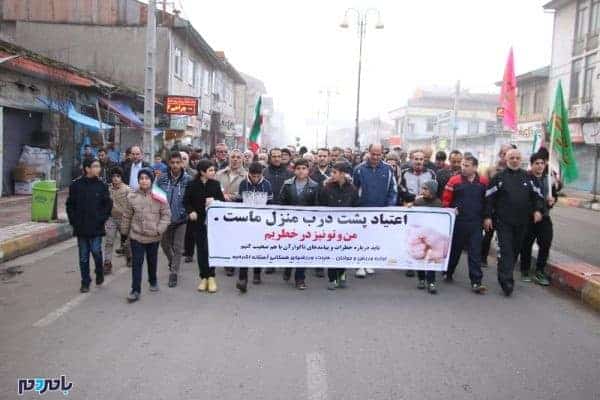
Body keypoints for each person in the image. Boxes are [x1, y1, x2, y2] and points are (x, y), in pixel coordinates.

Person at [484, 149, 545, 297]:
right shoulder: (498, 177)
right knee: (506, 250)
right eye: (512, 158)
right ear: (506, 159)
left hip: (523, 222)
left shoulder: (529, 177)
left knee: (514, 251)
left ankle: (504, 271)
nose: (515, 160)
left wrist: (538, 210)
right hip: (504, 222)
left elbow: (538, 196)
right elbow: (489, 198)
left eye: (518, 158)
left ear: (521, 160)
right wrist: (487, 217)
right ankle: (506, 282)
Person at [121, 169, 171, 303]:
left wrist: (159, 229)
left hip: (153, 236)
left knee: (152, 260)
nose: (144, 181)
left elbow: (166, 215)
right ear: (138, 180)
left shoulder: (159, 195)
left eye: (146, 178)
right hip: (136, 236)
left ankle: (153, 280)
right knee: (137, 263)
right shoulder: (132, 196)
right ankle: (135, 290)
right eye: (141, 178)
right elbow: (126, 216)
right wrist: (124, 233)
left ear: (151, 180)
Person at [442, 154, 488, 294]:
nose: (463, 168)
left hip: (476, 222)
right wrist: (449, 211)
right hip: (458, 222)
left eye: (467, 165)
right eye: (462, 165)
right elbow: (446, 200)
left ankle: (476, 281)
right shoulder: (454, 180)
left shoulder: (484, 182)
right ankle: (448, 272)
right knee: (455, 250)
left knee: (475, 252)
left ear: (475, 167)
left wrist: (487, 217)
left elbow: (488, 202)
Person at [66, 158, 112, 294]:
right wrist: (73, 220)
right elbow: (70, 205)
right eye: (95, 166)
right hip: (81, 228)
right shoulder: (76, 186)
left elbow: (108, 204)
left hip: (96, 227)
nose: (99, 168)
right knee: (83, 257)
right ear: (87, 169)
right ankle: (85, 282)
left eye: (99, 166)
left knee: (96, 252)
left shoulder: (102, 186)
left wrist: (102, 218)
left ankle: (99, 272)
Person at [353, 143, 398, 278]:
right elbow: (354, 190)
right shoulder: (359, 169)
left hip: (380, 211)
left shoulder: (388, 169)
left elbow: (393, 189)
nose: (376, 157)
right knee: (361, 238)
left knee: (374, 238)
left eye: (379, 154)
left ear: (382, 154)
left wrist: (390, 207)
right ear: (369, 152)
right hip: (362, 210)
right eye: (373, 154)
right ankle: (359, 264)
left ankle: (369, 262)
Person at [519, 151, 562, 286]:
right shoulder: (525, 179)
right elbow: (524, 200)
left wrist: (552, 201)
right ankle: (525, 270)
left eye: (542, 163)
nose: (539, 166)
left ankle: (539, 271)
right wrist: (534, 211)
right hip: (528, 218)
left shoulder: (548, 180)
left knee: (545, 243)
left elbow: (554, 198)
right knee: (526, 244)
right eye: (536, 163)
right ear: (531, 165)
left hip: (544, 217)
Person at [184, 160, 225, 293]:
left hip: (213, 223)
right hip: (197, 222)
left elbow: (222, 202)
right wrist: (191, 211)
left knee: (211, 249)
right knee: (201, 250)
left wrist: (215, 201)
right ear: (202, 172)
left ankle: (212, 276)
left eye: (214, 170)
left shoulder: (216, 184)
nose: (213, 173)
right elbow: (186, 201)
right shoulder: (192, 184)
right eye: (211, 170)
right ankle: (204, 277)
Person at [318, 161, 359, 290]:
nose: (332, 175)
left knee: (343, 253)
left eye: (335, 172)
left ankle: (342, 275)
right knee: (331, 253)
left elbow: (356, 206)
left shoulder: (352, 189)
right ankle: (332, 279)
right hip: (330, 226)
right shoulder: (327, 187)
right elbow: (321, 204)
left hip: (346, 227)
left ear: (342, 174)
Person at [279, 158, 319, 290]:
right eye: (298, 168)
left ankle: (300, 278)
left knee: (303, 251)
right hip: (289, 223)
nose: (301, 171)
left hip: (307, 225)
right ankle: (288, 268)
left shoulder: (315, 186)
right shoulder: (287, 184)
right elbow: (281, 203)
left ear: (308, 170)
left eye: (304, 168)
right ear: (294, 170)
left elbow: (318, 206)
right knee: (290, 248)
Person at [235, 162, 274, 293]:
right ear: (249, 174)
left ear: (261, 175)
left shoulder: (267, 184)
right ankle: (242, 278)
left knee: (258, 249)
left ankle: (257, 273)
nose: (255, 178)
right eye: (253, 176)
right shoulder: (243, 184)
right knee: (244, 249)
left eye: (258, 176)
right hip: (245, 222)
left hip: (261, 223)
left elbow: (270, 203)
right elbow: (239, 202)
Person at [156, 152, 192, 288]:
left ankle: (174, 273)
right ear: (169, 163)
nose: (175, 165)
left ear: (182, 163)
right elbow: (156, 197)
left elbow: (191, 199)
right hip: (165, 219)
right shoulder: (162, 179)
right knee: (164, 245)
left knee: (178, 247)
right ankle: (172, 261)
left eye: (178, 162)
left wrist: (186, 212)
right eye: (173, 162)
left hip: (181, 219)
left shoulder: (188, 180)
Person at [481, 143, 515, 267]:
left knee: (506, 238)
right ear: (500, 155)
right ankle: (482, 258)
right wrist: (487, 213)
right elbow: (485, 191)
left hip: (508, 211)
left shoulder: (515, 171)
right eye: (504, 153)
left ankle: (504, 261)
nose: (506, 156)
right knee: (488, 234)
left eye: (511, 154)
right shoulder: (491, 170)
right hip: (493, 209)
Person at [216, 149, 247, 276]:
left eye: (238, 157)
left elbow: (246, 194)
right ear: (229, 159)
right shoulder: (219, 174)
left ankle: (233, 262)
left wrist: (232, 196)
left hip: (238, 212)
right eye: (233, 157)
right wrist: (222, 195)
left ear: (242, 159)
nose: (235, 159)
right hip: (221, 211)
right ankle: (227, 261)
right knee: (224, 238)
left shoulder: (247, 176)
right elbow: (213, 188)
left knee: (236, 238)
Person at [412, 180, 443, 294]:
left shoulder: (438, 203)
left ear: (433, 191)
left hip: (433, 237)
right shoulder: (418, 202)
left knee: (431, 259)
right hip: (420, 236)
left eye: (426, 189)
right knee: (420, 257)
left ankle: (431, 282)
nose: (423, 191)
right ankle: (421, 279)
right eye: (422, 188)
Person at [103, 166, 131, 275]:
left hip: (124, 219)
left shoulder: (127, 190)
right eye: (113, 176)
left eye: (118, 176)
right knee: (109, 241)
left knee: (126, 241)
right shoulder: (108, 189)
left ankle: (129, 257)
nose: (115, 179)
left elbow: (131, 205)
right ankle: (107, 263)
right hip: (111, 219)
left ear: (121, 177)